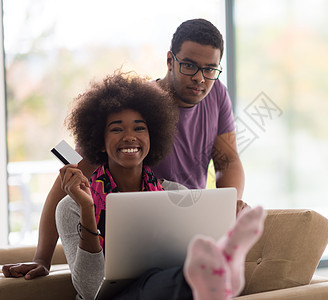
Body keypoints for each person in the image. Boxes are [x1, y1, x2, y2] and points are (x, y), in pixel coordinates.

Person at [2, 18, 247, 280]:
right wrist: (43, 259)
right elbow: (67, 180)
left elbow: (227, 161)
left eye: (210, 69)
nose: (200, 77)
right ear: (169, 60)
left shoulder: (217, 93)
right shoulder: (133, 108)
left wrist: (226, 209)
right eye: (189, 65)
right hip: (137, 235)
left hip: (186, 228)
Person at [52, 71, 265, 299]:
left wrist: (227, 218)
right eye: (116, 129)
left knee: (170, 277)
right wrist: (87, 210)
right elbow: (89, 289)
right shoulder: (71, 207)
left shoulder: (175, 194)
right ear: (99, 142)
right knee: (170, 281)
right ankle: (221, 272)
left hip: (165, 291)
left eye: (139, 128)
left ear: (153, 136)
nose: (129, 137)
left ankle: (220, 262)